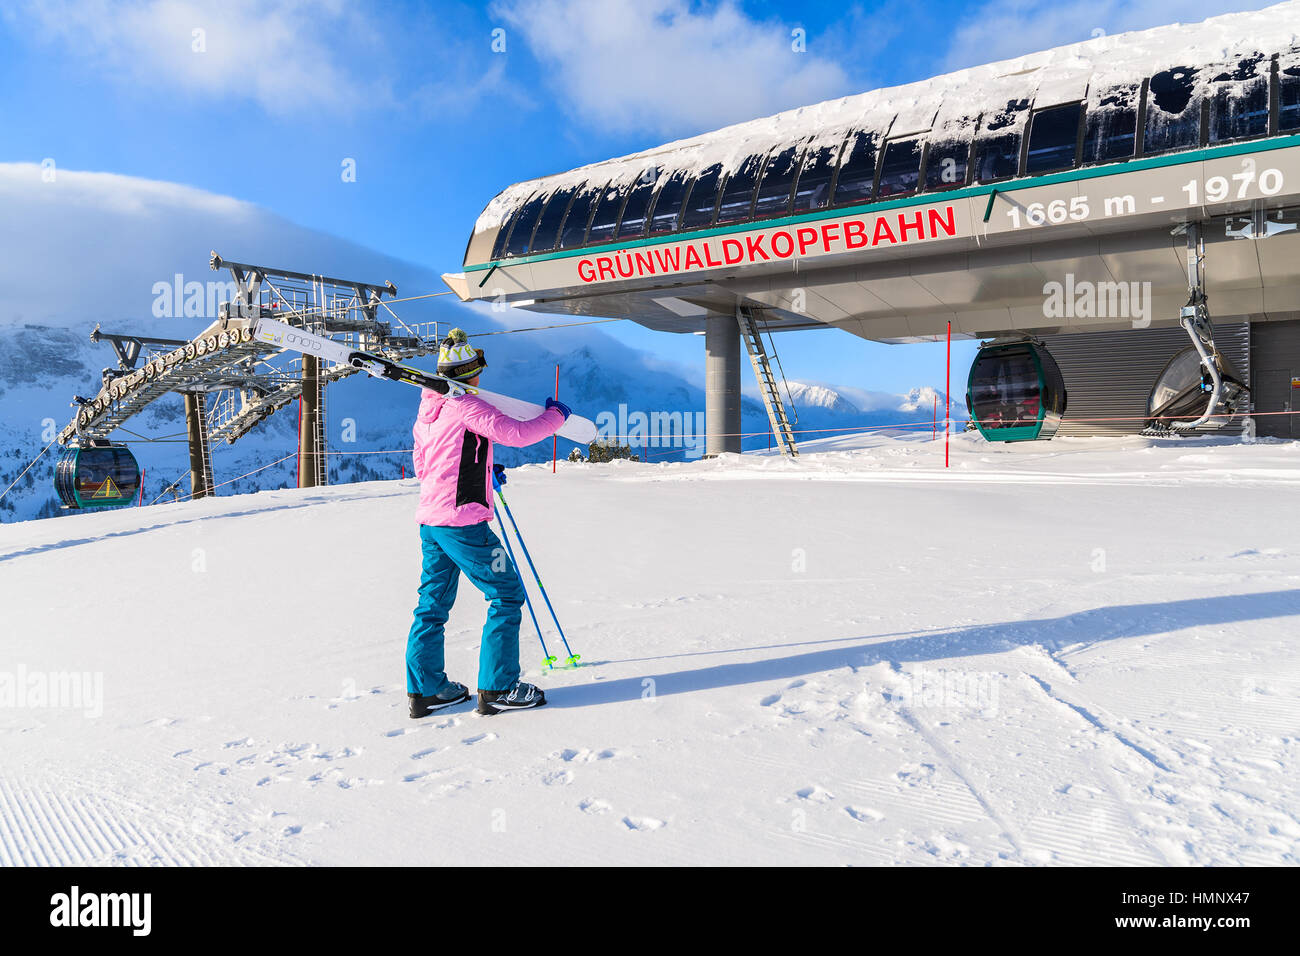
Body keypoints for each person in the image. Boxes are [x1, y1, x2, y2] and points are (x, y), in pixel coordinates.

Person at [405, 328, 571, 718]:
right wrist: (556, 417)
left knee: (431, 605)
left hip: (432, 522)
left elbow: (424, 465)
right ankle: (498, 687)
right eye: (478, 371)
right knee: (506, 594)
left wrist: (480, 466)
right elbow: (516, 433)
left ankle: (426, 690)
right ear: (470, 375)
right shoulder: (466, 405)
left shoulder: (429, 409)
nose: (481, 379)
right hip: (464, 525)